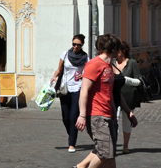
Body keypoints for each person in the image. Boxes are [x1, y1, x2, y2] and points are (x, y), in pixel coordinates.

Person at [74, 34, 136, 168]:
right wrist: (82, 115)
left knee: (110, 154)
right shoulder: (94, 64)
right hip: (96, 115)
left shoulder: (108, 66)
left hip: (107, 115)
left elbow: (109, 94)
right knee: (105, 151)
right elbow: (84, 90)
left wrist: (114, 112)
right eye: (118, 48)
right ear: (113, 48)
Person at [50, 33, 88, 153]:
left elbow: (88, 72)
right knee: (65, 118)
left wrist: (84, 75)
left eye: (78, 45)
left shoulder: (86, 57)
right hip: (65, 89)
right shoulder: (65, 54)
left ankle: (72, 143)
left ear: (82, 45)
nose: (75, 47)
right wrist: (54, 77)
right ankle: (71, 134)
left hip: (78, 89)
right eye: (73, 44)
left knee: (73, 117)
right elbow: (59, 68)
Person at [113, 42, 141, 155]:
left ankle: (125, 145)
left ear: (123, 50)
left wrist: (126, 79)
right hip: (114, 96)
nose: (115, 52)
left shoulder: (132, 63)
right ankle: (113, 146)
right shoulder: (112, 63)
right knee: (115, 121)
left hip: (128, 97)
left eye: (117, 50)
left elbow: (139, 81)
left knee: (126, 122)